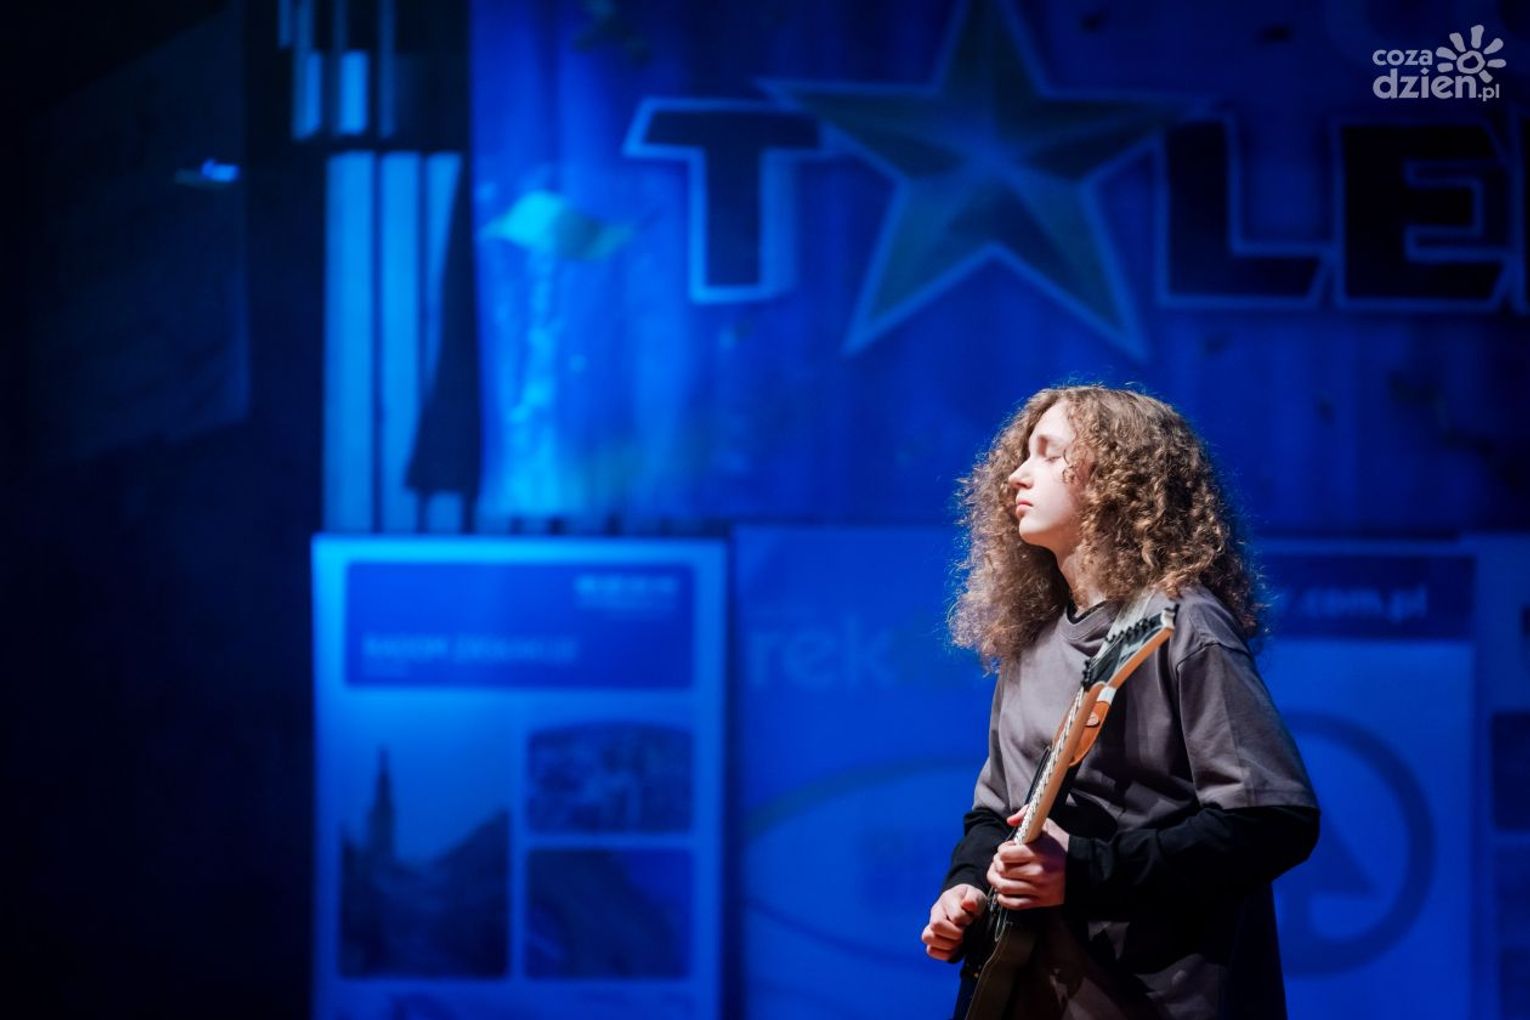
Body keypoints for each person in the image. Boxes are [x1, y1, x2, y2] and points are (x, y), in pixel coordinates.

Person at [920, 385, 1320, 1019]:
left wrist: (1084, 871)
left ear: (1116, 478)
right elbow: (996, 814)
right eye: (1023, 455)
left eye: (1049, 453)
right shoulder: (1031, 640)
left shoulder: (1185, 625)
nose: (1017, 476)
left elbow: (1272, 819)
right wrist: (965, 890)